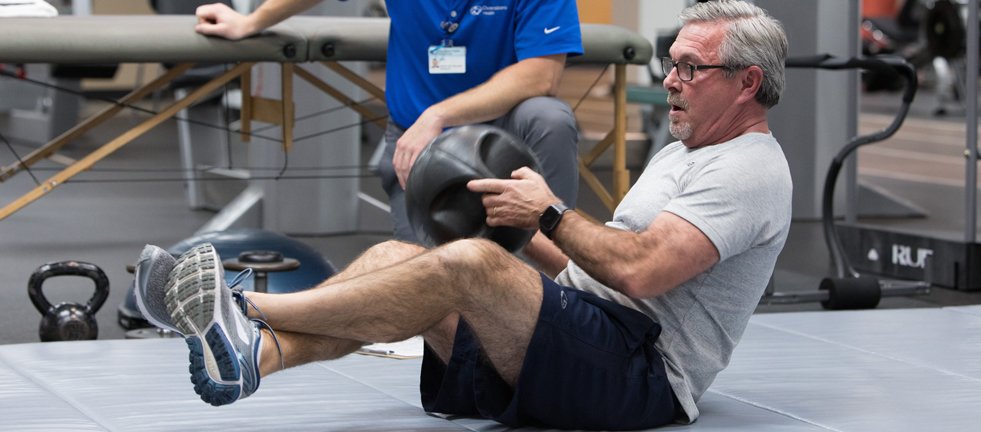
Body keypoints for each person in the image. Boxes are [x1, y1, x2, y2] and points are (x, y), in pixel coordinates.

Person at [135, 0, 792, 428]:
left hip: (638, 378)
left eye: (689, 69)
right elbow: (592, 270)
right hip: (582, 337)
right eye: (670, 64)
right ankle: (255, 357)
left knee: (471, 265)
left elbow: (643, 274)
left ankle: (245, 309)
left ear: (746, 83)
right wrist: (516, 221)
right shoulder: (686, 150)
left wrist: (550, 213)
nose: (671, 80)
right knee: (403, 259)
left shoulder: (745, 168)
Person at [193, 0, 583, 242]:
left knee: (549, 116)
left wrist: (440, 112)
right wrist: (250, 22)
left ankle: (554, 271)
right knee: (431, 298)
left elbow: (541, 74)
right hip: (421, 144)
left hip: (503, 136)